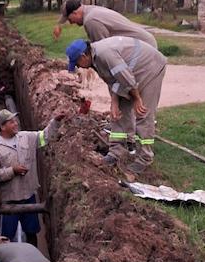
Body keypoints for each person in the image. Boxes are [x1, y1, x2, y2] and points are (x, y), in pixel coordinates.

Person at [66, 37, 166, 174]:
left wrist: (137, 98)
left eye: (77, 63)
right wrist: (114, 102)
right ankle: (116, 152)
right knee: (117, 112)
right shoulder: (95, 59)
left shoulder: (105, 55)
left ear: (83, 56)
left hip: (150, 67)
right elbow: (113, 80)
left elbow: (126, 77)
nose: (78, 67)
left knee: (143, 113)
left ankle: (145, 158)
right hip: (130, 72)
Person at [0, 109, 65, 246]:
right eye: (11, 122)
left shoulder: (26, 137)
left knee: (31, 232)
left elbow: (45, 137)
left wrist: (56, 122)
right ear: (2, 127)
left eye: (15, 120)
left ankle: (34, 261)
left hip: (29, 196)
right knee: (6, 237)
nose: (16, 123)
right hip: (9, 200)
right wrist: (12, 171)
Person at [54, 0, 157, 49]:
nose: (71, 22)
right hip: (142, 43)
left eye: (69, 19)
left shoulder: (90, 20)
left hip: (142, 47)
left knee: (126, 86)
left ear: (75, 13)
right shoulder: (91, 10)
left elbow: (104, 50)